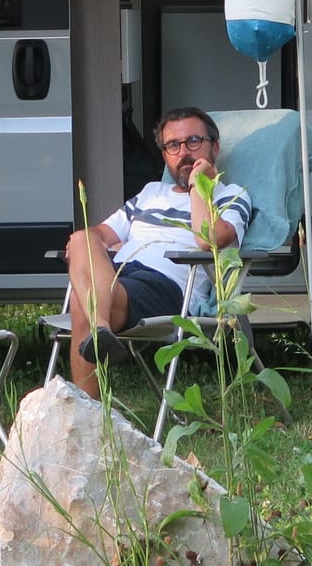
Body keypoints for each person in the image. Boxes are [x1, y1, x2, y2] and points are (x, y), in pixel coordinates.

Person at [63, 107, 253, 397]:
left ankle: (90, 413)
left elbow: (208, 240)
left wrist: (200, 187)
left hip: (167, 285)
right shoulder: (150, 192)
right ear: (165, 155)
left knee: (80, 301)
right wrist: (88, 247)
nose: (183, 153)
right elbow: (99, 234)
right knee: (80, 238)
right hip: (119, 275)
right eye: (173, 146)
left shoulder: (232, 195)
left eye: (193, 141)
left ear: (214, 146)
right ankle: (101, 329)